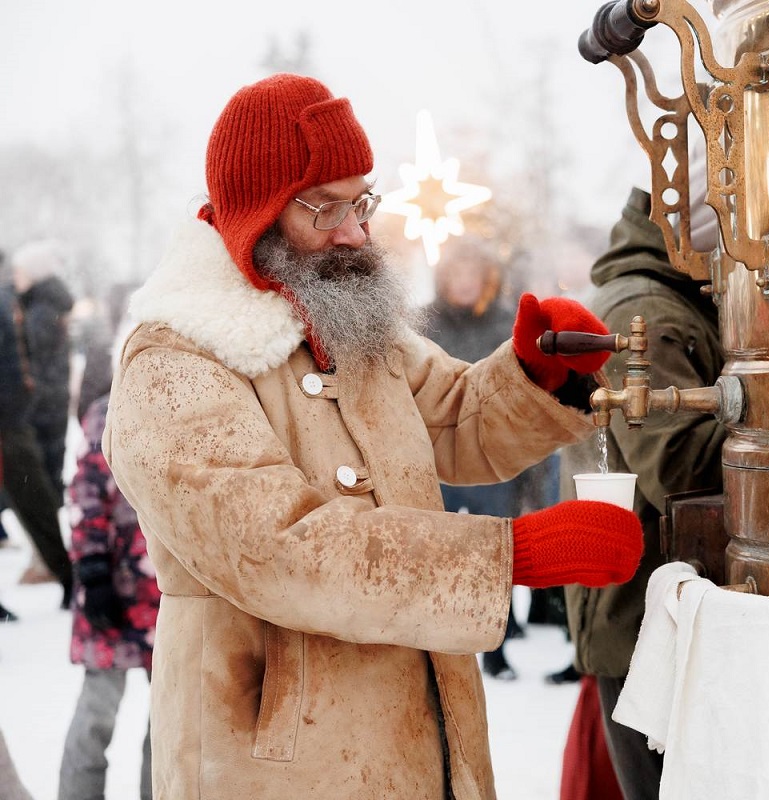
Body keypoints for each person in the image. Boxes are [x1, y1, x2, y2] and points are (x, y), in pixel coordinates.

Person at [102, 72, 644, 799]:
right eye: (323, 208)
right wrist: (506, 558)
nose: (355, 231)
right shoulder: (173, 361)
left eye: (361, 200)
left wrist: (531, 377)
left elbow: (454, 418)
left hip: (418, 735)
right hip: (271, 766)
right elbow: (280, 550)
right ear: (254, 215)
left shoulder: (349, 319)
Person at [561, 185, 726, 800]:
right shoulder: (649, 313)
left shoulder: (664, 300)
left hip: (654, 617)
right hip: (647, 626)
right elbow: (679, 467)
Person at [423, 236, 526, 680]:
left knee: (492, 555)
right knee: (438, 553)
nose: (464, 283)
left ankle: (495, 648)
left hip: (491, 458)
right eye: (456, 274)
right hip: (437, 461)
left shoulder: (506, 323)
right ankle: (442, 648)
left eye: (472, 274)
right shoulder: (422, 323)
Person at [59, 392, 160, 800]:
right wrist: (94, 571)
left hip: (170, 596)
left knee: (170, 721)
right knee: (96, 715)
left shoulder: (197, 395)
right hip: (115, 593)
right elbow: (86, 492)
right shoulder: (109, 409)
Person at [0, 249, 73, 608]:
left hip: (18, 418)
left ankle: (67, 576)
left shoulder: (28, 307)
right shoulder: (19, 302)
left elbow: (23, 363)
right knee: (38, 500)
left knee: (37, 499)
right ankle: (66, 576)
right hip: (21, 416)